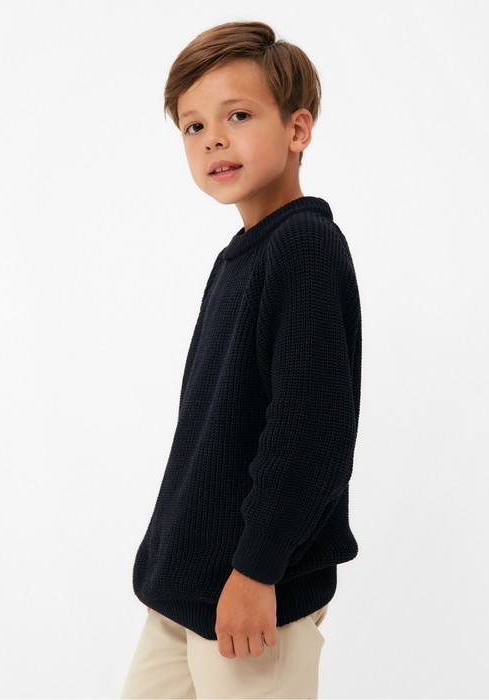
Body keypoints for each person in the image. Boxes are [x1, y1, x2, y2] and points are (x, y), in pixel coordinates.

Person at [121, 20, 362, 700]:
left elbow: (310, 430)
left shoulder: (305, 247)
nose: (212, 139)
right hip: (186, 590)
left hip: (251, 599)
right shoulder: (240, 260)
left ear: (297, 129)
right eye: (193, 127)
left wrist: (257, 571)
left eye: (237, 115)